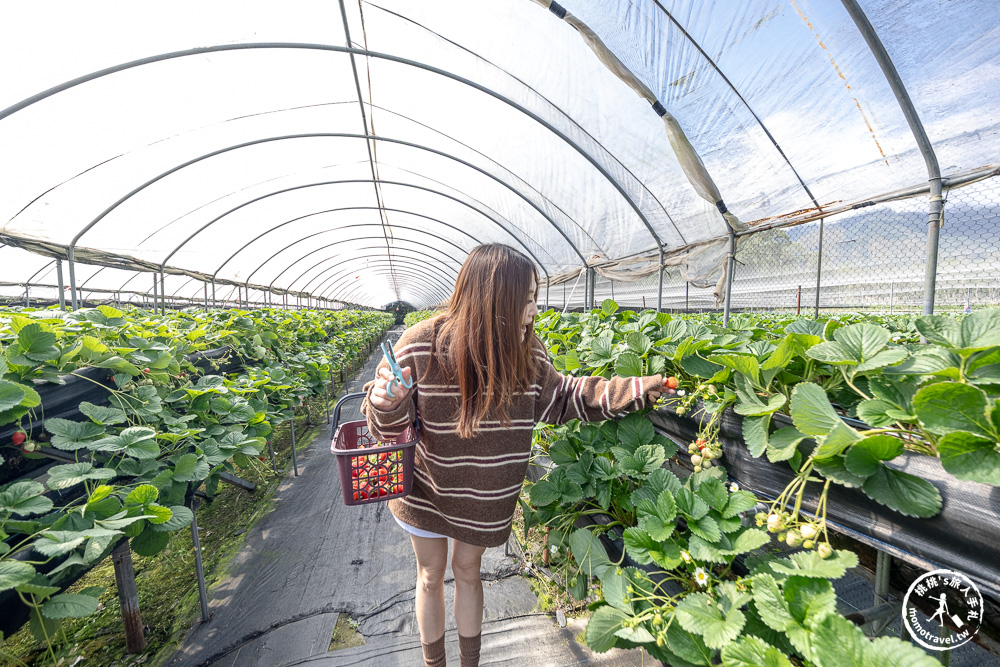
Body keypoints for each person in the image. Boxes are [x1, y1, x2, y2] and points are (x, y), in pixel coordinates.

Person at [362, 244, 669, 667]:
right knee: (430, 576)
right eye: (525, 299)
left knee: (468, 572)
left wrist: (631, 390)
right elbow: (384, 429)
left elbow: (563, 397)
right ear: (493, 300)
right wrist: (386, 402)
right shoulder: (420, 346)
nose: (534, 310)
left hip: (482, 499)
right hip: (425, 489)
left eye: (534, 298)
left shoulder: (526, 353)